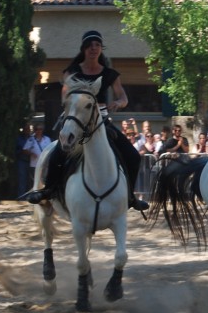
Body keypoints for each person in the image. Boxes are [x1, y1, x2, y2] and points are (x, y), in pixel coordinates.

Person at [25, 30, 148, 211]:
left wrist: (118, 103)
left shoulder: (110, 74)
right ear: (84, 49)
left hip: (100, 121)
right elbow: (64, 96)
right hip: (77, 120)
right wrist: (74, 103)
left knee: (133, 156)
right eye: (90, 45)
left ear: (101, 49)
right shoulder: (72, 71)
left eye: (97, 45)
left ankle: (130, 196)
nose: (94, 48)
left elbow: (123, 97)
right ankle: (49, 190)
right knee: (59, 151)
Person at [22, 123, 51, 192]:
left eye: (40, 129)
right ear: (34, 130)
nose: (38, 131)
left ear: (42, 130)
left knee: (44, 182)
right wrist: (31, 153)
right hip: (34, 165)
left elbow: (51, 150)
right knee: (34, 182)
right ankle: (34, 196)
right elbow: (24, 150)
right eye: (36, 129)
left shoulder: (47, 139)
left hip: (45, 165)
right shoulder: (31, 139)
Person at [15, 124, 32, 198]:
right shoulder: (19, 139)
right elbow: (17, 150)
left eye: (28, 129)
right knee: (22, 180)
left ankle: (30, 197)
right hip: (22, 161)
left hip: (31, 162)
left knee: (30, 181)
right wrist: (23, 151)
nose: (27, 130)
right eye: (26, 129)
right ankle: (21, 198)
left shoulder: (32, 138)